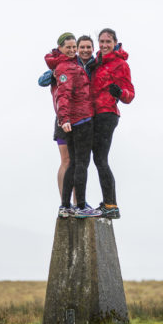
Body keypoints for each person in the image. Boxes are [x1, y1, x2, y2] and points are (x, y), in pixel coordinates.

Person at [44, 33, 102, 218]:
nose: (74, 50)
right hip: (68, 118)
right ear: (60, 48)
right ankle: (70, 203)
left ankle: (72, 204)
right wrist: (64, 117)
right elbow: (54, 88)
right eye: (69, 47)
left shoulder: (85, 64)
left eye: (74, 48)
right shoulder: (64, 66)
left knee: (75, 162)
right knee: (70, 161)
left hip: (77, 117)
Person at [89, 28, 135, 219]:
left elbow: (130, 94)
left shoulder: (121, 64)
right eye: (101, 41)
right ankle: (109, 204)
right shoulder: (96, 62)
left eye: (108, 41)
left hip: (107, 114)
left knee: (100, 159)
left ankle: (111, 205)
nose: (104, 45)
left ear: (115, 42)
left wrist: (120, 93)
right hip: (92, 114)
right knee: (97, 160)